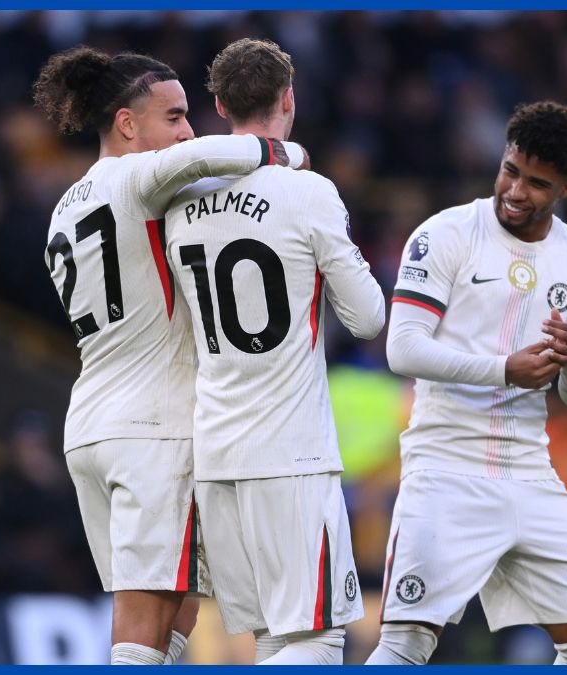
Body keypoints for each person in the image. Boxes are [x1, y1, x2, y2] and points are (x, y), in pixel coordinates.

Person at [35, 45, 308, 666]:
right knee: (145, 609)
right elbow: (219, 153)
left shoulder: (64, 206)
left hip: (91, 428)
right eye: (176, 117)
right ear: (127, 125)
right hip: (152, 426)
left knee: (182, 596)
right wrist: (285, 153)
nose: (188, 131)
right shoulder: (137, 178)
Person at [163, 38, 385, 665]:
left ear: (216, 104)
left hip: (216, 455)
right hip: (290, 453)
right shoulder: (308, 193)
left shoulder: (181, 205)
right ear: (290, 99)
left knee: (271, 640)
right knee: (318, 640)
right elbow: (369, 319)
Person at [366, 101, 567, 666]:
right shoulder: (445, 233)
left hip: (530, 470)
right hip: (446, 465)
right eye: (511, 171)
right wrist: (505, 369)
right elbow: (402, 348)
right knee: (406, 643)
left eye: (538, 183)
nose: (516, 191)